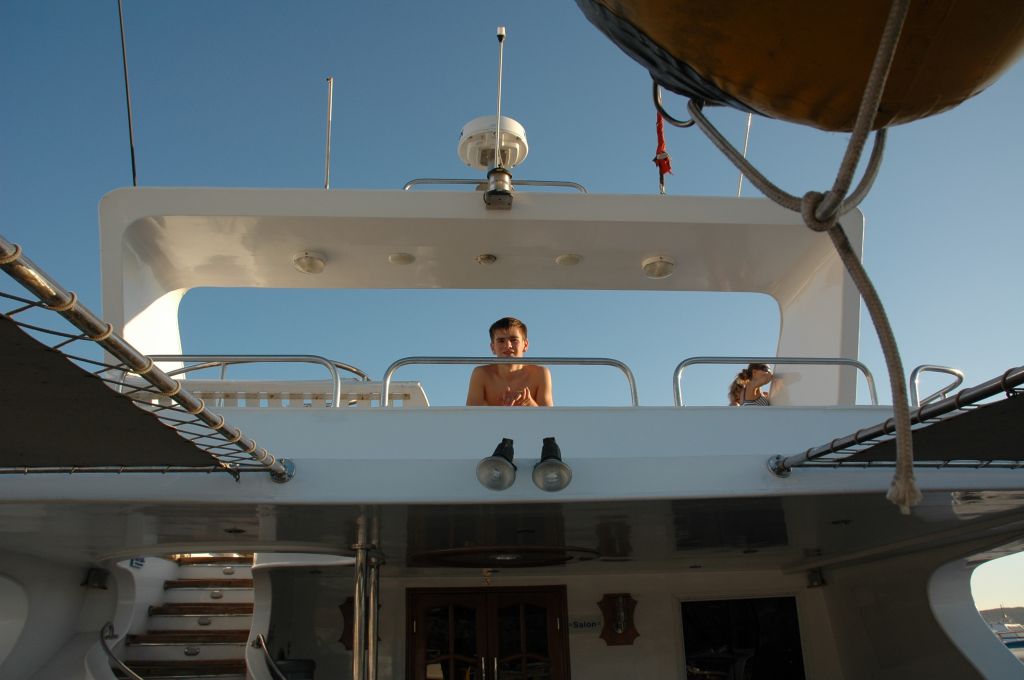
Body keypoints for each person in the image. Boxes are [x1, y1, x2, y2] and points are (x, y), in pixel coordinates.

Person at [466, 317, 553, 406]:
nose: (508, 345)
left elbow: (550, 414)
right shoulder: (481, 374)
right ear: (493, 347)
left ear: (525, 345)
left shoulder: (540, 374)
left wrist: (530, 404)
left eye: (514, 340)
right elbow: (470, 413)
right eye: (501, 341)